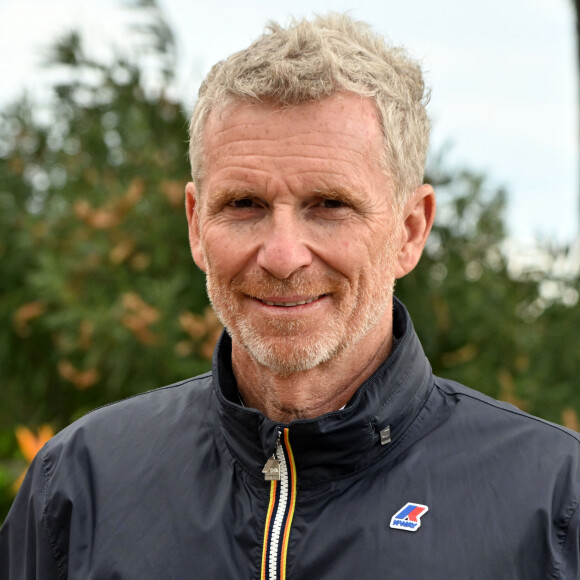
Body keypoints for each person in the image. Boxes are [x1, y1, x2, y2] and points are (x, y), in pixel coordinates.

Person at [1, 13, 579, 579]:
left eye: (329, 205)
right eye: (243, 204)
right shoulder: (79, 485)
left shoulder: (554, 502)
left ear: (410, 230)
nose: (282, 256)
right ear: (196, 223)